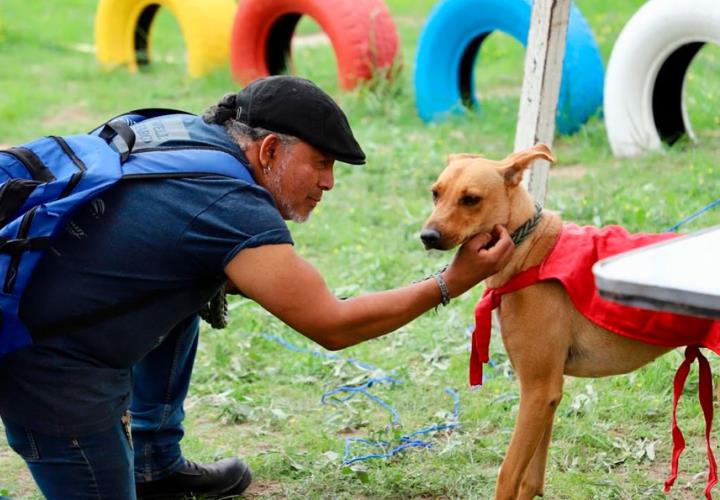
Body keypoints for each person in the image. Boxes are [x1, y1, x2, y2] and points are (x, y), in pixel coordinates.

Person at [0, 76, 514, 499]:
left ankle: (156, 465)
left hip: (42, 314)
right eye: (321, 163)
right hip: (51, 377)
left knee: (196, 281)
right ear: (269, 150)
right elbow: (333, 325)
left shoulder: (179, 132)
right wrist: (452, 281)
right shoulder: (228, 208)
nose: (329, 182)